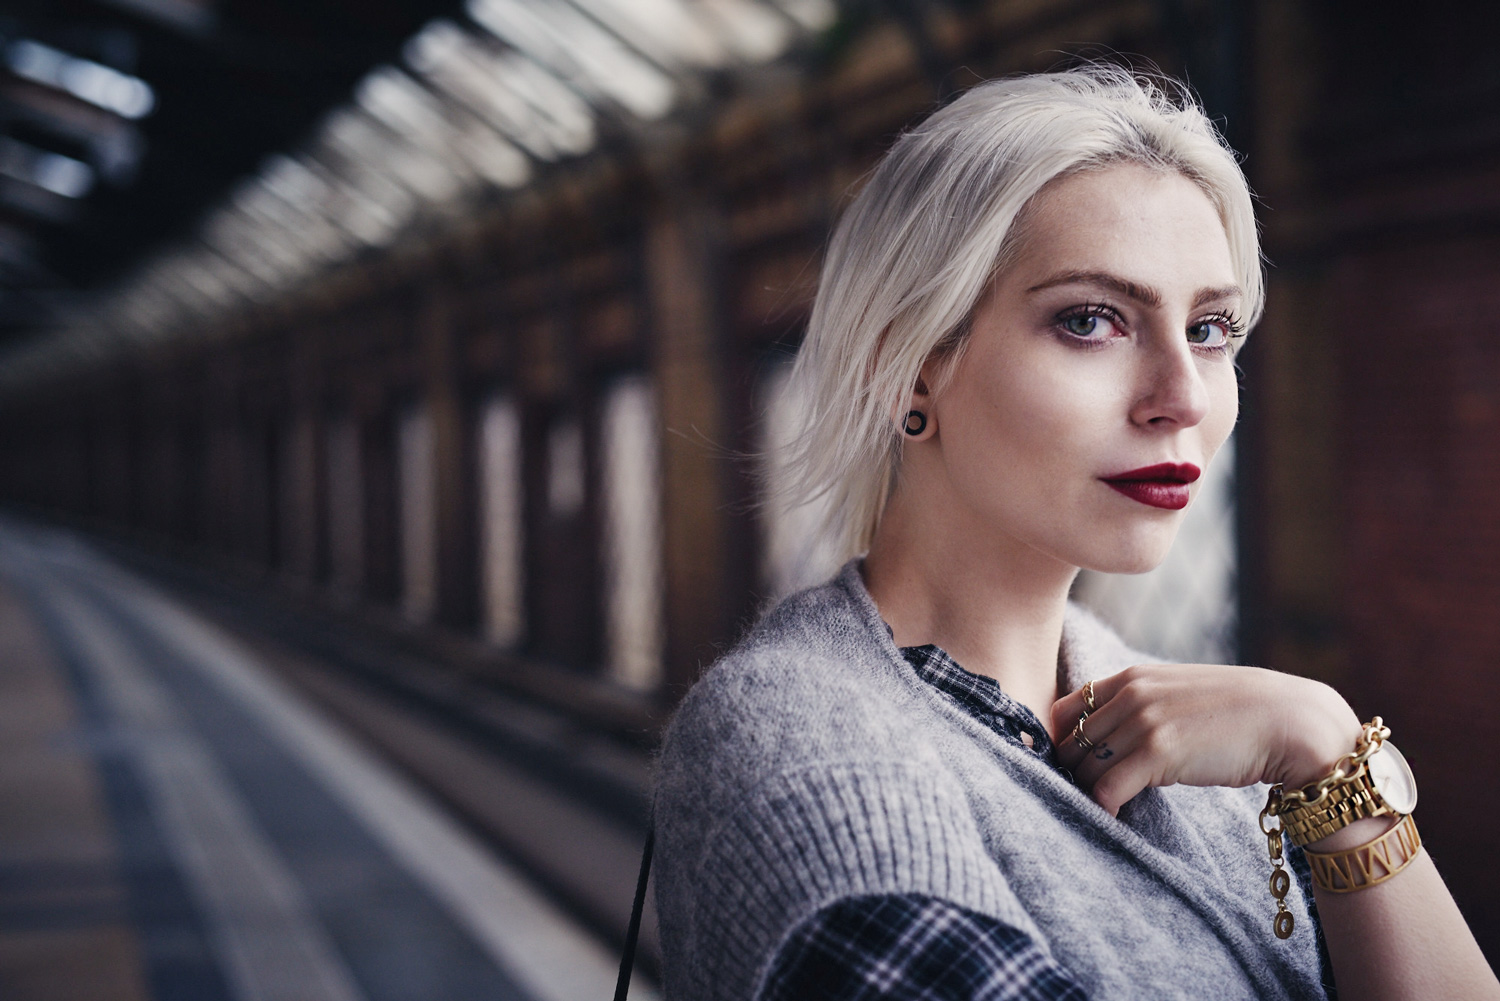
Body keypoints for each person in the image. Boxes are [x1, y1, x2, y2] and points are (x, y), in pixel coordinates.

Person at [650, 66, 1499, 1001]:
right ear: (909, 363)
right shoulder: (812, 761)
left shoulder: (1201, 730)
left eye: (1211, 328)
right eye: (1091, 320)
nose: (1181, 396)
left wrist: (1334, 762)